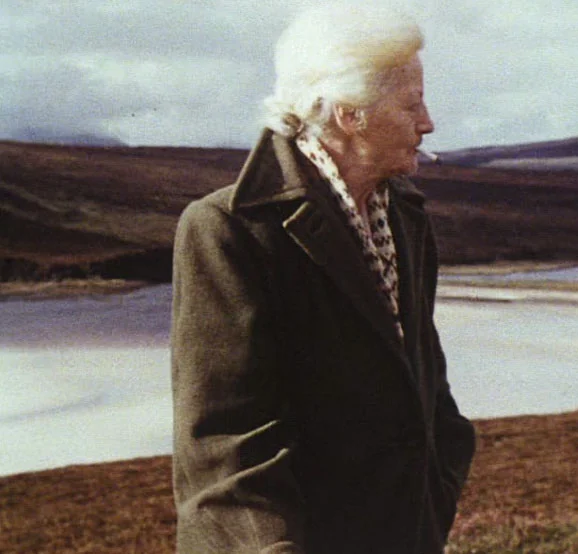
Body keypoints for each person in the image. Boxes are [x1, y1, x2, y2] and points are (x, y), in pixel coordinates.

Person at [170, 4, 475, 553]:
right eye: (412, 104)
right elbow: (225, 446)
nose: (428, 123)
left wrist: (439, 487)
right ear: (349, 114)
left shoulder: (405, 216)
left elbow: (426, 387)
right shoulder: (228, 230)